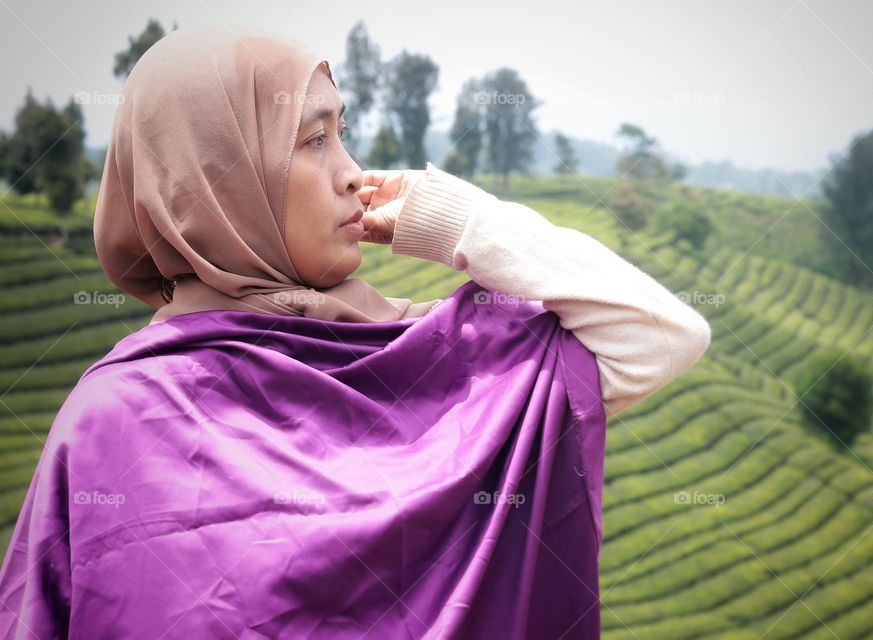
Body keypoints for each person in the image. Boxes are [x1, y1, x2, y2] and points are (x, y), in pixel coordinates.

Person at [0, 26, 710, 639]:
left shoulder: (435, 360)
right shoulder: (115, 426)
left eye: (344, 132)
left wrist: (456, 219)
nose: (352, 174)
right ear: (220, 181)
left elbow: (660, 334)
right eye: (314, 140)